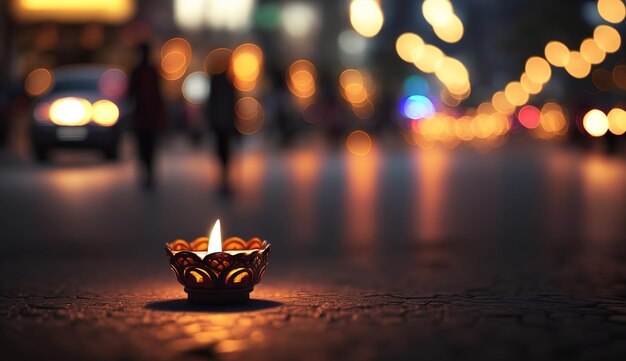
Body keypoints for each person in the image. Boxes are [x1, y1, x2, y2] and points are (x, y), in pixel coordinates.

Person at [128, 43, 167, 189]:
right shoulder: (142, 71)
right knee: (146, 147)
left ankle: (148, 174)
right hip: (144, 117)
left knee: (147, 147)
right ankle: (148, 174)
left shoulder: (142, 71)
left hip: (146, 117)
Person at [205, 49, 238, 194]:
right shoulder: (225, 82)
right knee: (223, 151)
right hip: (222, 121)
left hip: (222, 121)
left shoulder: (221, 82)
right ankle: (224, 178)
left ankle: (224, 178)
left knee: (223, 150)